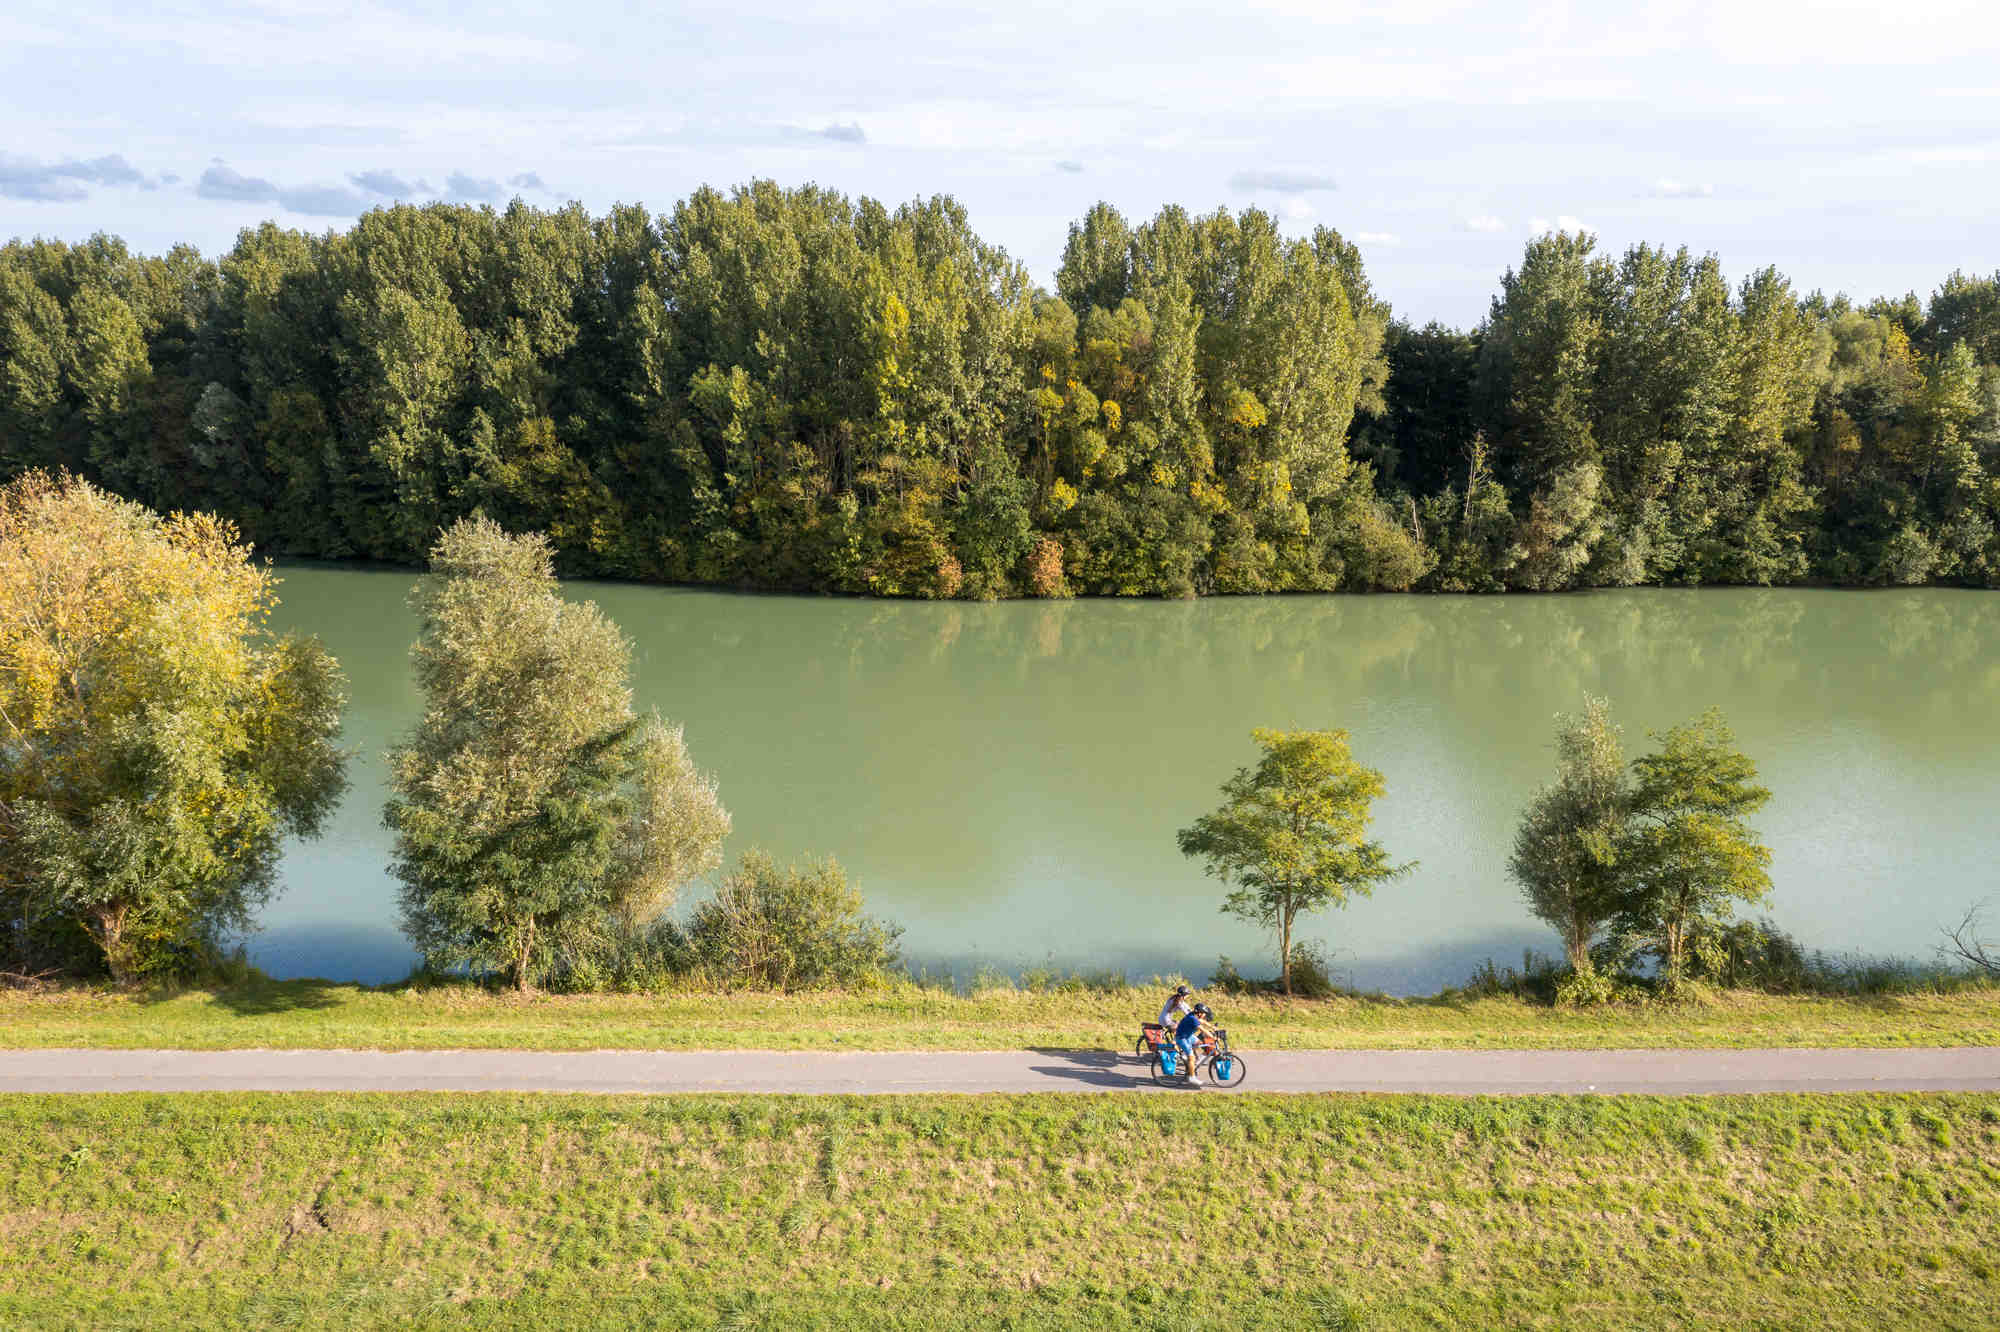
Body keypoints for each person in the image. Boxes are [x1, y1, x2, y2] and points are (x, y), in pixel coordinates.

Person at [1174, 1003, 1217, 1088]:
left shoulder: (1194, 1015)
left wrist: (1212, 1027)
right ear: (1200, 1013)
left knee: (1202, 1044)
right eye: (1204, 1013)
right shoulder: (1192, 1019)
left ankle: (1191, 1063)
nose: (1204, 1015)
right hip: (1182, 1038)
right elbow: (1203, 1030)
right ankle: (1192, 1077)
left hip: (1188, 1036)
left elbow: (1203, 1022)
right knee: (1191, 1057)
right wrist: (1213, 1037)